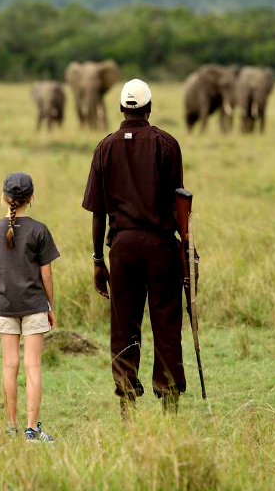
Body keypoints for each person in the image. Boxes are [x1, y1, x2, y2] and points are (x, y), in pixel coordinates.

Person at [82, 79, 186, 418]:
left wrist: (98, 259)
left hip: (122, 247)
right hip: (161, 246)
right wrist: (188, 252)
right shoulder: (167, 144)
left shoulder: (105, 147)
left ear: (121, 109)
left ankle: (127, 405)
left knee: (124, 324)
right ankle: (170, 404)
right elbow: (178, 205)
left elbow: (98, 211)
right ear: (150, 108)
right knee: (166, 323)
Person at [0, 172, 58, 442]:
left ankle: (11, 426)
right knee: (33, 366)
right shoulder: (40, 230)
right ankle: (31, 429)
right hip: (35, 305)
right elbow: (46, 274)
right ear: (31, 198)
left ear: (4, 197)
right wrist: (50, 305)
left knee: (9, 366)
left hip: (5, 306)